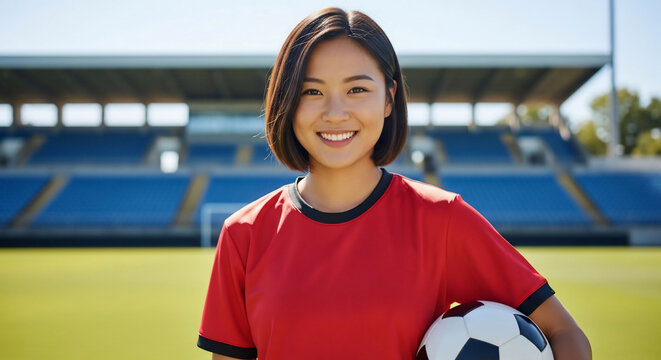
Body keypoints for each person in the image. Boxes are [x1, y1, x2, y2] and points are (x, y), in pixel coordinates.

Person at [197, 7, 591, 360]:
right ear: (286, 100)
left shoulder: (442, 219)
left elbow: (564, 334)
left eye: (357, 89)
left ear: (389, 99)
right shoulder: (243, 235)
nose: (335, 112)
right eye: (312, 91)